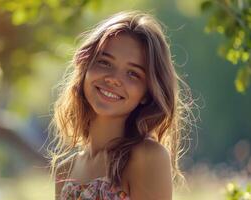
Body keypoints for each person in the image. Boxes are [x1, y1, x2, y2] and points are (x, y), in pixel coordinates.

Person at [47, 10, 195, 200]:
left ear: (147, 93)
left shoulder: (148, 157)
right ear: (85, 68)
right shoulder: (65, 169)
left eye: (133, 74)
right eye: (105, 62)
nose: (114, 79)